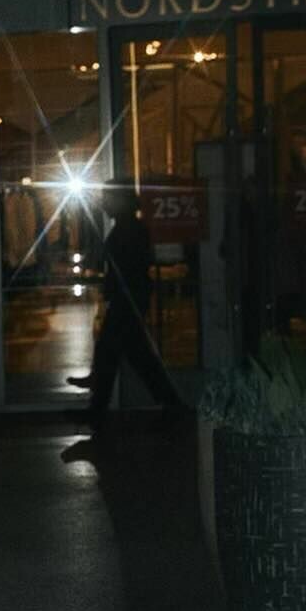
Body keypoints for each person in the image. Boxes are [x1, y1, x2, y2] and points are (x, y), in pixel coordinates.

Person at [65, 182, 192, 451]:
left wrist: (114, 287)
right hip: (128, 300)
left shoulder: (129, 229)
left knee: (116, 352)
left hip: (128, 301)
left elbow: (127, 267)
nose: (104, 204)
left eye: (107, 199)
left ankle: (100, 408)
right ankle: (165, 403)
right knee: (132, 355)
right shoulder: (128, 227)